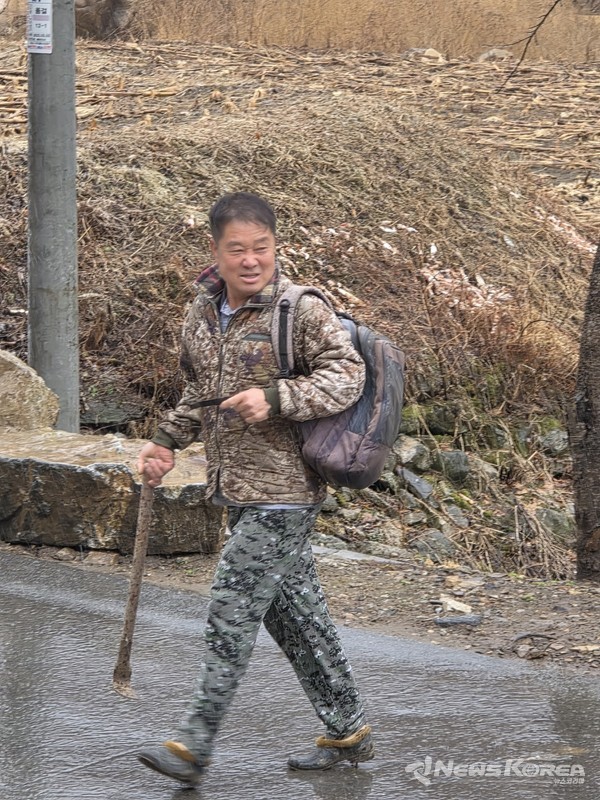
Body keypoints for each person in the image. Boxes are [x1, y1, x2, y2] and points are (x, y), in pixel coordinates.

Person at [137, 191, 374, 788]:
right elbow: (199, 392)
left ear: (275, 246)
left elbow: (347, 376)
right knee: (294, 617)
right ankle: (347, 728)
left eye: (261, 248)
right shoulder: (202, 311)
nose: (251, 260)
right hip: (236, 488)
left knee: (233, 602)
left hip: (287, 490)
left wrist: (276, 398)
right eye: (237, 249)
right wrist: (166, 442)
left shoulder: (300, 309)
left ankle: (195, 743)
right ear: (215, 252)